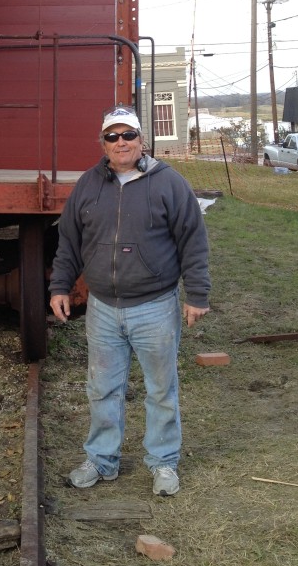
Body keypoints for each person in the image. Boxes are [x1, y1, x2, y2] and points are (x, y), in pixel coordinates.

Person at [49, 105, 210, 497]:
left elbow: (193, 239)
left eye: (128, 135)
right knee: (102, 388)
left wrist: (197, 294)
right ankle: (102, 461)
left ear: (142, 139)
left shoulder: (169, 183)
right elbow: (69, 241)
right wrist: (59, 286)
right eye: (112, 136)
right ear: (102, 143)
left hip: (155, 306)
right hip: (103, 309)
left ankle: (164, 463)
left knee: (161, 389)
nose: (121, 143)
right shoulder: (89, 185)